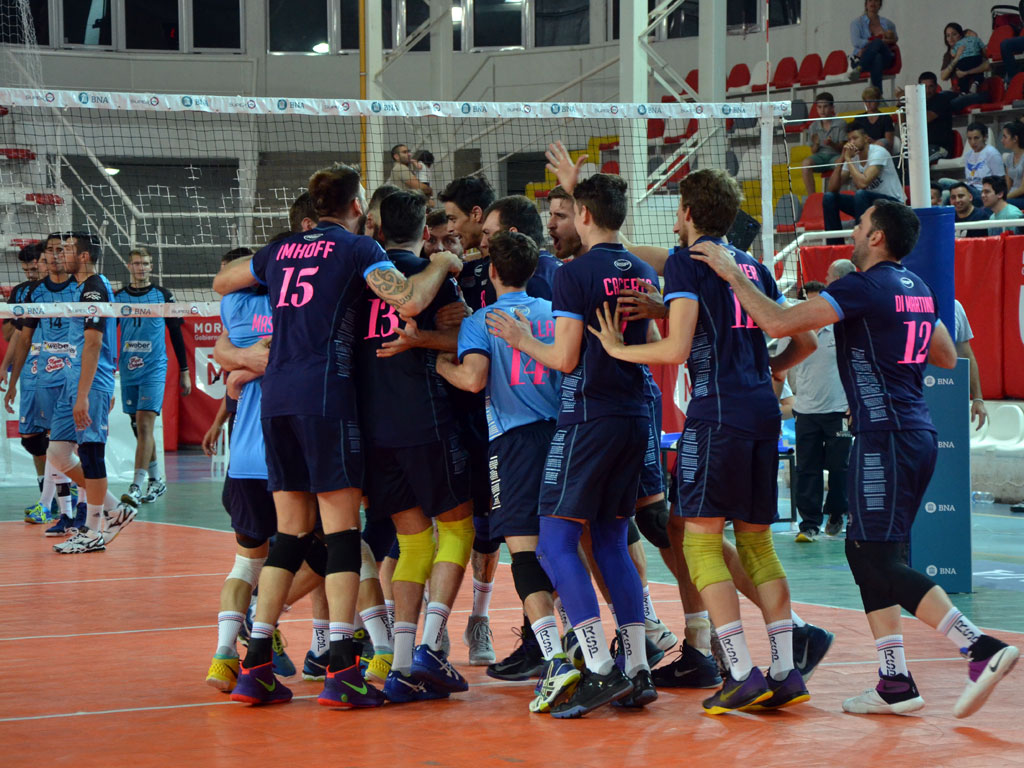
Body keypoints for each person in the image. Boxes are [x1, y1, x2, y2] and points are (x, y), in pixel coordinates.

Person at [691, 198, 1019, 718]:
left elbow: (776, 322)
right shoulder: (918, 288)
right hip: (917, 433)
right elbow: (946, 356)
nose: (853, 229)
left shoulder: (862, 288)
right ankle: (895, 681)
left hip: (884, 436)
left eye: (861, 224)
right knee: (870, 556)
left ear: (878, 238)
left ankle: (980, 647)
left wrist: (733, 273)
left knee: (874, 558)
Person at [213, 163, 463, 708]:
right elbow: (409, 301)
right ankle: (343, 669)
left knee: (289, 536)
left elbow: (223, 281)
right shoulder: (356, 249)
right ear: (357, 207)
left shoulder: (282, 250)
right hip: (327, 399)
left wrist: (273, 269)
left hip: (276, 399)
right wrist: (442, 259)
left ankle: (254, 663)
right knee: (343, 535)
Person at [587, 167, 817, 715]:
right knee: (758, 542)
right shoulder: (754, 264)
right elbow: (802, 339)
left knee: (698, 542)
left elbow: (673, 351)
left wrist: (619, 350)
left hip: (716, 417)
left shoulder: (690, 262)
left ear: (687, 213)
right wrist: (767, 373)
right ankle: (784, 670)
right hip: (761, 412)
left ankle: (739, 670)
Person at [487, 171, 658, 717]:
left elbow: (562, 358)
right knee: (609, 544)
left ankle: (599, 669)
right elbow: (653, 346)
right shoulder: (642, 269)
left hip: (587, 419)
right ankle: (637, 669)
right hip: (635, 415)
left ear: (583, 215)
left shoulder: (572, 274)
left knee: (554, 545)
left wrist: (519, 339)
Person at [436, 229, 579, 713]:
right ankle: (588, 644)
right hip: (564, 438)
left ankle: (556, 659)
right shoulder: (555, 313)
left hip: (514, 444)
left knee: (522, 554)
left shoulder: (481, 320)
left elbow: (473, 380)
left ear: (492, 272)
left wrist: (440, 367)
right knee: (564, 548)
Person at [353, 189, 474, 703]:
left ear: (375, 229)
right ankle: (428, 646)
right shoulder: (435, 277)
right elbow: (465, 341)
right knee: (458, 529)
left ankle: (400, 662)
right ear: (425, 233)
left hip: (374, 431)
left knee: (414, 541)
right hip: (426, 422)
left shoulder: (357, 281)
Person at [7, 233, 138, 553]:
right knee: (58, 453)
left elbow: (93, 344)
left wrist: (82, 394)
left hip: (89, 383)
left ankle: (93, 528)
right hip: (71, 380)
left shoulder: (94, 287)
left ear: (82, 256)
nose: (57, 255)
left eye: (65, 250)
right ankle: (115, 510)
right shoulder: (80, 289)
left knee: (91, 453)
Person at [204, 252, 277, 693]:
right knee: (327, 557)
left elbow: (228, 362)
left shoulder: (235, 311)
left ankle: (223, 654)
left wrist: (237, 367)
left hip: (244, 463)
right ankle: (344, 646)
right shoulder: (293, 309)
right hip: (288, 464)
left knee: (245, 564)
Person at [115, 247, 191, 506]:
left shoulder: (163, 296)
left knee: (145, 425)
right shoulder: (118, 298)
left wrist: (184, 372)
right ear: (129, 266)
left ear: (151, 266)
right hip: (128, 370)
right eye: (137, 263)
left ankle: (136, 486)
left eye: (146, 263)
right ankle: (157, 480)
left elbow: (177, 336)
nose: (142, 267)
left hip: (154, 369)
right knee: (139, 430)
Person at [780, 281, 853, 542]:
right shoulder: (794, 331)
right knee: (807, 469)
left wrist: (853, 402)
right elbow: (780, 371)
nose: (812, 306)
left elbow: (854, 367)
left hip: (838, 411)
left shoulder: (841, 330)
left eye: (817, 300)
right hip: (806, 411)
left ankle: (836, 513)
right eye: (807, 301)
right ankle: (809, 524)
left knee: (839, 467)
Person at [2, 243, 47, 520]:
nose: (31, 273)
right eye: (26, 269)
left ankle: (61, 499)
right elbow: (12, 333)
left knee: (60, 441)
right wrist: (6, 368)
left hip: (56, 369)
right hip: (30, 370)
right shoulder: (21, 291)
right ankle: (48, 495)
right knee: (32, 440)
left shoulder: (62, 289)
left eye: (35, 268)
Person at [823, 124, 906, 244]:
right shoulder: (852, 157)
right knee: (829, 198)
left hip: (892, 204)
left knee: (861, 194)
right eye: (849, 139)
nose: (851, 142)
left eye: (855, 138)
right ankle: (835, 246)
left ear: (866, 138)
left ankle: (861, 242)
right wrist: (842, 159)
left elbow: (863, 183)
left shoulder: (878, 152)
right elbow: (832, 189)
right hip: (867, 203)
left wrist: (848, 160)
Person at [800, 93, 848, 196]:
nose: (822, 110)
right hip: (820, 157)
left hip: (836, 156)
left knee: (843, 164)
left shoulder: (841, 124)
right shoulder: (813, 126)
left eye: (825, 106)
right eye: (819, 107)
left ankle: (834, 195)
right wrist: (816, 144)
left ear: (832, 107)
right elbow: (813, 151)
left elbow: (842, 148)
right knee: (805, 164)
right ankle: (812, 197)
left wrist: (832, 144)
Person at [953, 299, 988, 431]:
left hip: (946, 394)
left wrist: (978, 399)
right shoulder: (901, 301)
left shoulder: (954, 306)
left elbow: (966, 355)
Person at [848, 0, 897, 90]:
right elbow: (856, 42)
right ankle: (878, 95)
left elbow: (895, 39)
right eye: (870, 0)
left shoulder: (888, 23)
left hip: (885, 57)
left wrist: (877, 42)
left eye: (876, 1)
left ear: (880, 5)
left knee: (878, 43)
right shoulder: (857, 23)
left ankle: (859, 68)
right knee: (877, 56)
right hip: (861, 58)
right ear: (866, 4)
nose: (873, 3)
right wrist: (872, 44)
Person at [941, 24, 989, 99]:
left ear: (960, 35)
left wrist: (966, 73)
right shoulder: (948, 55)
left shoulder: (973, 48)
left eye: (954, 34)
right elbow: (943, 77)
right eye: (948, 35)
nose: (951, 38)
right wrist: (956, 59)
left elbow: (987, 66)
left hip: (978, 90)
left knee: (955, 103)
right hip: (959, 91)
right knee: (941, 96)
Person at [963, 123, 1005, 201]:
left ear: (985, 137)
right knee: (944, 182)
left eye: (976, 138)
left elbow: (1000, 180)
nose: (972, 142)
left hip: (982, 192)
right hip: (969, 189)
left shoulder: (992, 153)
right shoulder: (967, 155)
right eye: (969, 138)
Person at [851, 86, 895, 151]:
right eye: (866, 101)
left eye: (871, 101)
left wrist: (874, 142)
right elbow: (853, 138)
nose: (868, 104)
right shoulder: (858, 118)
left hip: (880, 151)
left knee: (883, 141)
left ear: (878, 101)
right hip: (862, 150)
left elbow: (889, 143)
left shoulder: (886, 118)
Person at [546, 185, 582, 262]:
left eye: (560, 215)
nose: (549, 225)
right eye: (551, 215)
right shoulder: (563, 269)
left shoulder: (608, 269)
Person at [1001, 121, 1024, 207]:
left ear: (1015, 138)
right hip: (1011, 196)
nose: (1002, 140)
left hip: (1022, 197)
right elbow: (1008, 185)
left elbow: (1022, 189)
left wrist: (1002, 199)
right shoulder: (1008, 158)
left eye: (1005, 137)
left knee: (999, 204)